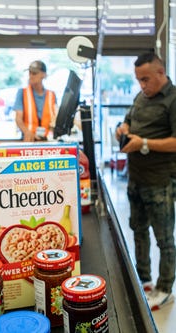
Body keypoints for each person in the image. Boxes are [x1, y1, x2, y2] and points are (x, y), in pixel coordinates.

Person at [116, 52, 176, 311]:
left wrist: (145, 144)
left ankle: (165, 288)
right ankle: (144, 280)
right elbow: (129, 120)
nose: (142, 85)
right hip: (136, 179)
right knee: (138, 231)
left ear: (161, 73)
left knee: (164, 238)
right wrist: (124, 128)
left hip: (160, 181)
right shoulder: (141, 97)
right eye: (139, 80)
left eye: (146, 79)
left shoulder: (173, 100)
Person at [14, 60, 57, 142]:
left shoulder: (52, 95)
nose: (31, 76)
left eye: (34, 73)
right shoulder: (22, 93)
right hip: (29, 140)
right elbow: (18, 119)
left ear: (43, 75)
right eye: (29, 73)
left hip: (47, 140)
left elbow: (54, 119)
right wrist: (27, 132)